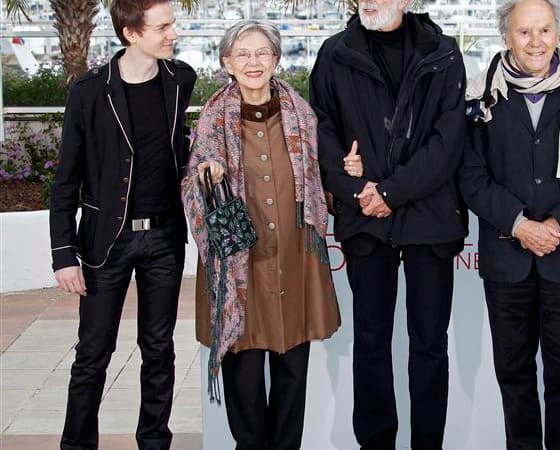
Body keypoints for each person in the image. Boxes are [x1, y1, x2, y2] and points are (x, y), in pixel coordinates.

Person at [309, 0, 467, 448]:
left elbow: (448, 140)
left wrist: (390, 192)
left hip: (430, 222)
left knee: (430, 347)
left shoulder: (444, 52)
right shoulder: (333, 52)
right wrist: (357, 190)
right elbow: (320, 129)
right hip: (365, 221)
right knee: (371, 344)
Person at [458, 0, 560, 448]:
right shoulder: (478, 95)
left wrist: (556, 227)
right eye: (525, 32)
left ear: (557, 32)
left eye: (544, 30)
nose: (536, 42)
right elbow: (470, 174)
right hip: (507, 258)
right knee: (513, 371)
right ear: (506, 35)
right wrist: (519, 224)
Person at [181, 20, 341, 450]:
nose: (253, 62)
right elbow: (191, 189)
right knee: (245, 375)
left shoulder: (302, 115)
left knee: (293, 371)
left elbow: (322, 177)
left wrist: (350, 172)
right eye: (243, 54)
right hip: (239, 267)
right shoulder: (213, 120)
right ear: (227, 62)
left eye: (262, 53)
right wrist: (206, 179)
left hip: (296, 257)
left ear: (275, 60)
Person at [48, 0, 196, 448]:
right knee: (92, 355)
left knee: (160, 352)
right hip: (103, 243)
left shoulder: (180, 80)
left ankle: (154, 442)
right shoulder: (89, 91)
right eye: (163, 26)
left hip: (166, 238)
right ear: (131, 33)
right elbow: (65, 179)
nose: (173, 33)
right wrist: (64, 256)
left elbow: (181, 150)